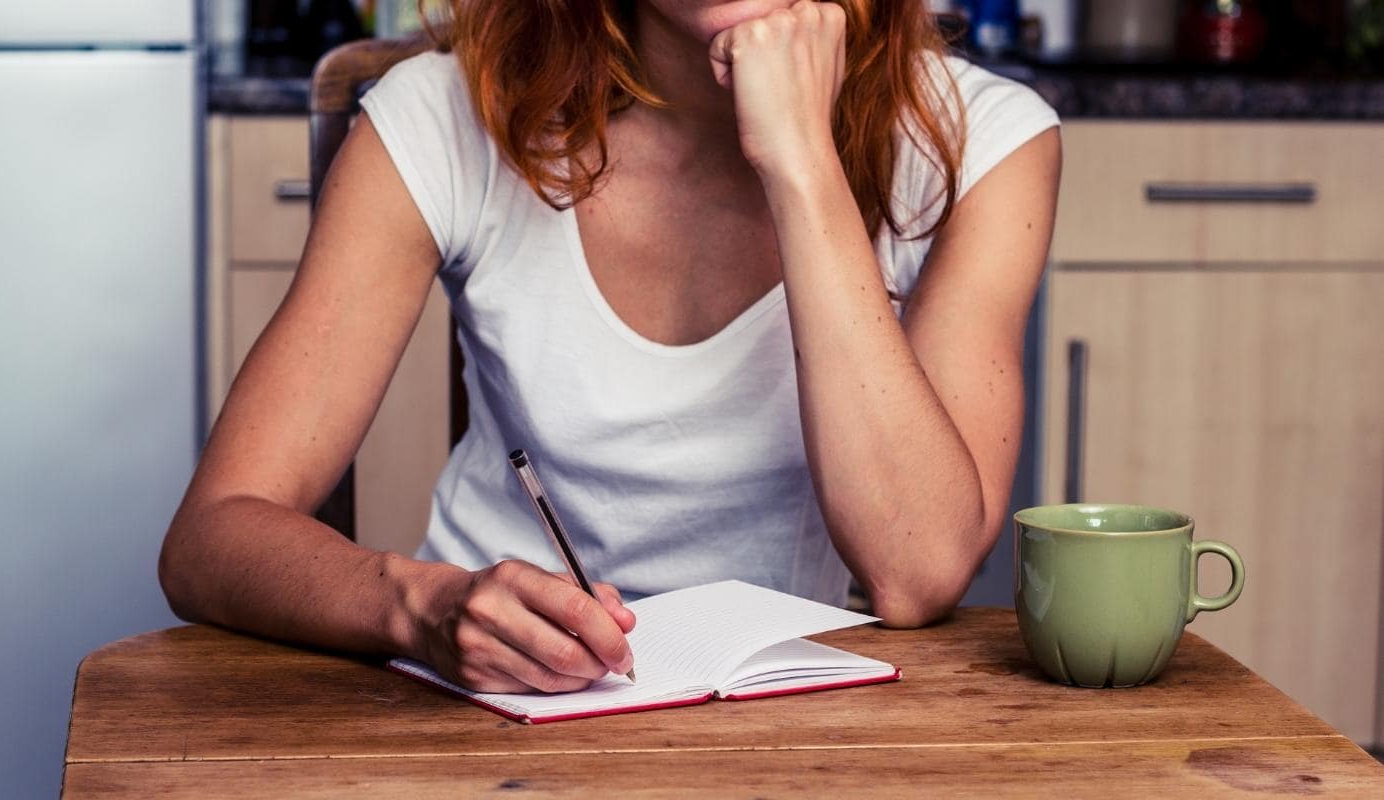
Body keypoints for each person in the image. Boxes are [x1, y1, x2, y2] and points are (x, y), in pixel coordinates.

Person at [159, 0, 1061, 695]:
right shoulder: (443, 115)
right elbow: (212, 534)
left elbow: (917, 571)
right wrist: (425, 606)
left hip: (792, 719)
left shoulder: (980, 140)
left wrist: (800, 161)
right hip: (491, 713)